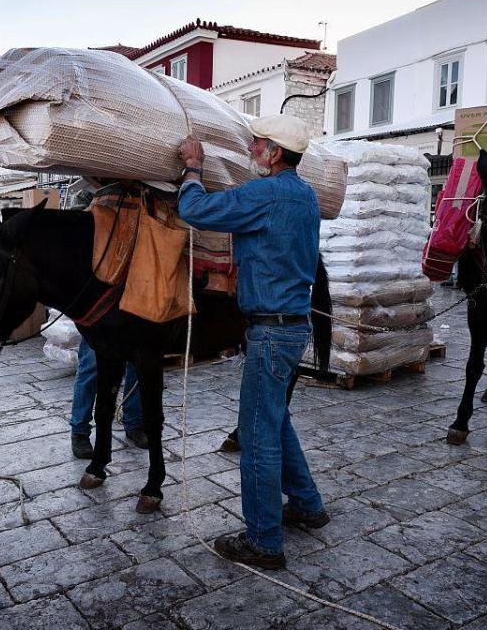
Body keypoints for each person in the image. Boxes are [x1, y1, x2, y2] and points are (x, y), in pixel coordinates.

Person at [176, 114, 328, 570]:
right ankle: (306, 504)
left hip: (270, 332)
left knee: (259, 433)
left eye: (257, 144)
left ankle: (264, 541)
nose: (251, 150)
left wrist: (192, 168)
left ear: (275, 152)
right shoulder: (305, 196)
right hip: (292, 325)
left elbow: (196, 211)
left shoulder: (265, 193)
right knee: (275, 420)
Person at [70, 338, 149, 458]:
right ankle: (79, 431)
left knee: (139, 362)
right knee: (92, 363)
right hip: (97, 320)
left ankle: (134, 424)